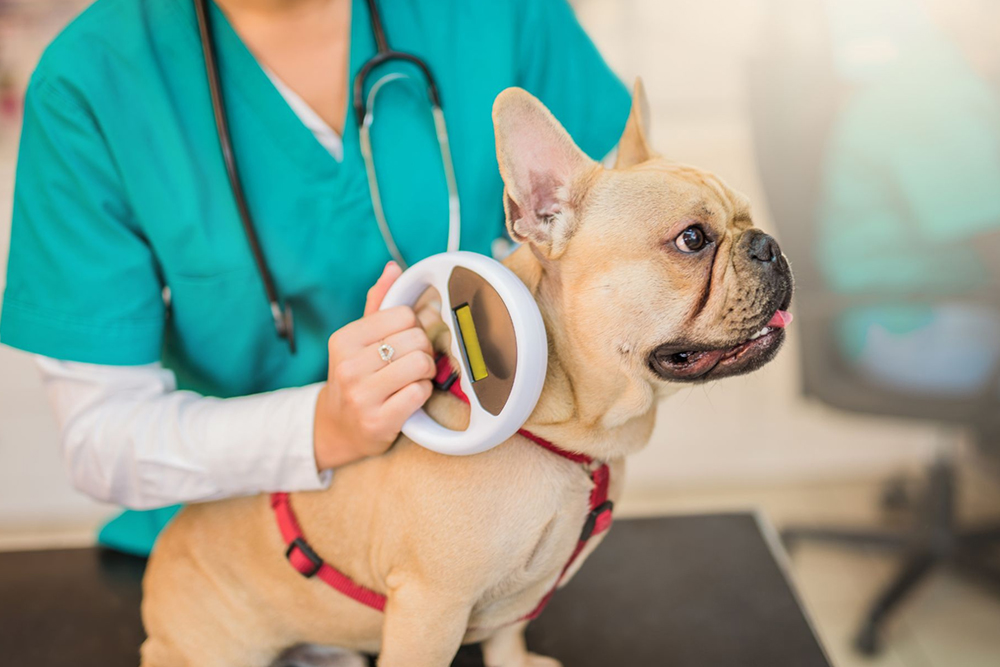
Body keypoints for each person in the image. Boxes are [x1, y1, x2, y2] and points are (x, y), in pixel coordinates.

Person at [0, 0, 629, 556]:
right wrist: (325, 426)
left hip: (486, 523)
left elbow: (619, 243)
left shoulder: (497, 12)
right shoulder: (90, 81)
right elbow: (102, 441)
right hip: (232, 556)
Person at [817, 0, 1000, 396]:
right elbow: (993, 241)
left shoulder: (953, 79)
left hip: (945, 301)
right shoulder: (933, 96)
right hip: (912, 323)